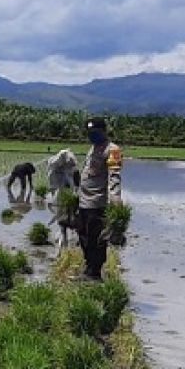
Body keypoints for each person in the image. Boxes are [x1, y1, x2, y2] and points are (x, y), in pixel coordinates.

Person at [77, 118, 123, 281]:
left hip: (97, 203)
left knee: (96, 239)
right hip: (83, 201)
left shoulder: (113, 150)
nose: (92, 136)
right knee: (83, 237)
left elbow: (114, 177)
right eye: (89, 133)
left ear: (104, 131)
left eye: (95, 133)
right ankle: (88, 268)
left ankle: (94, 273)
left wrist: (115, 202)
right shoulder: (93, 148)